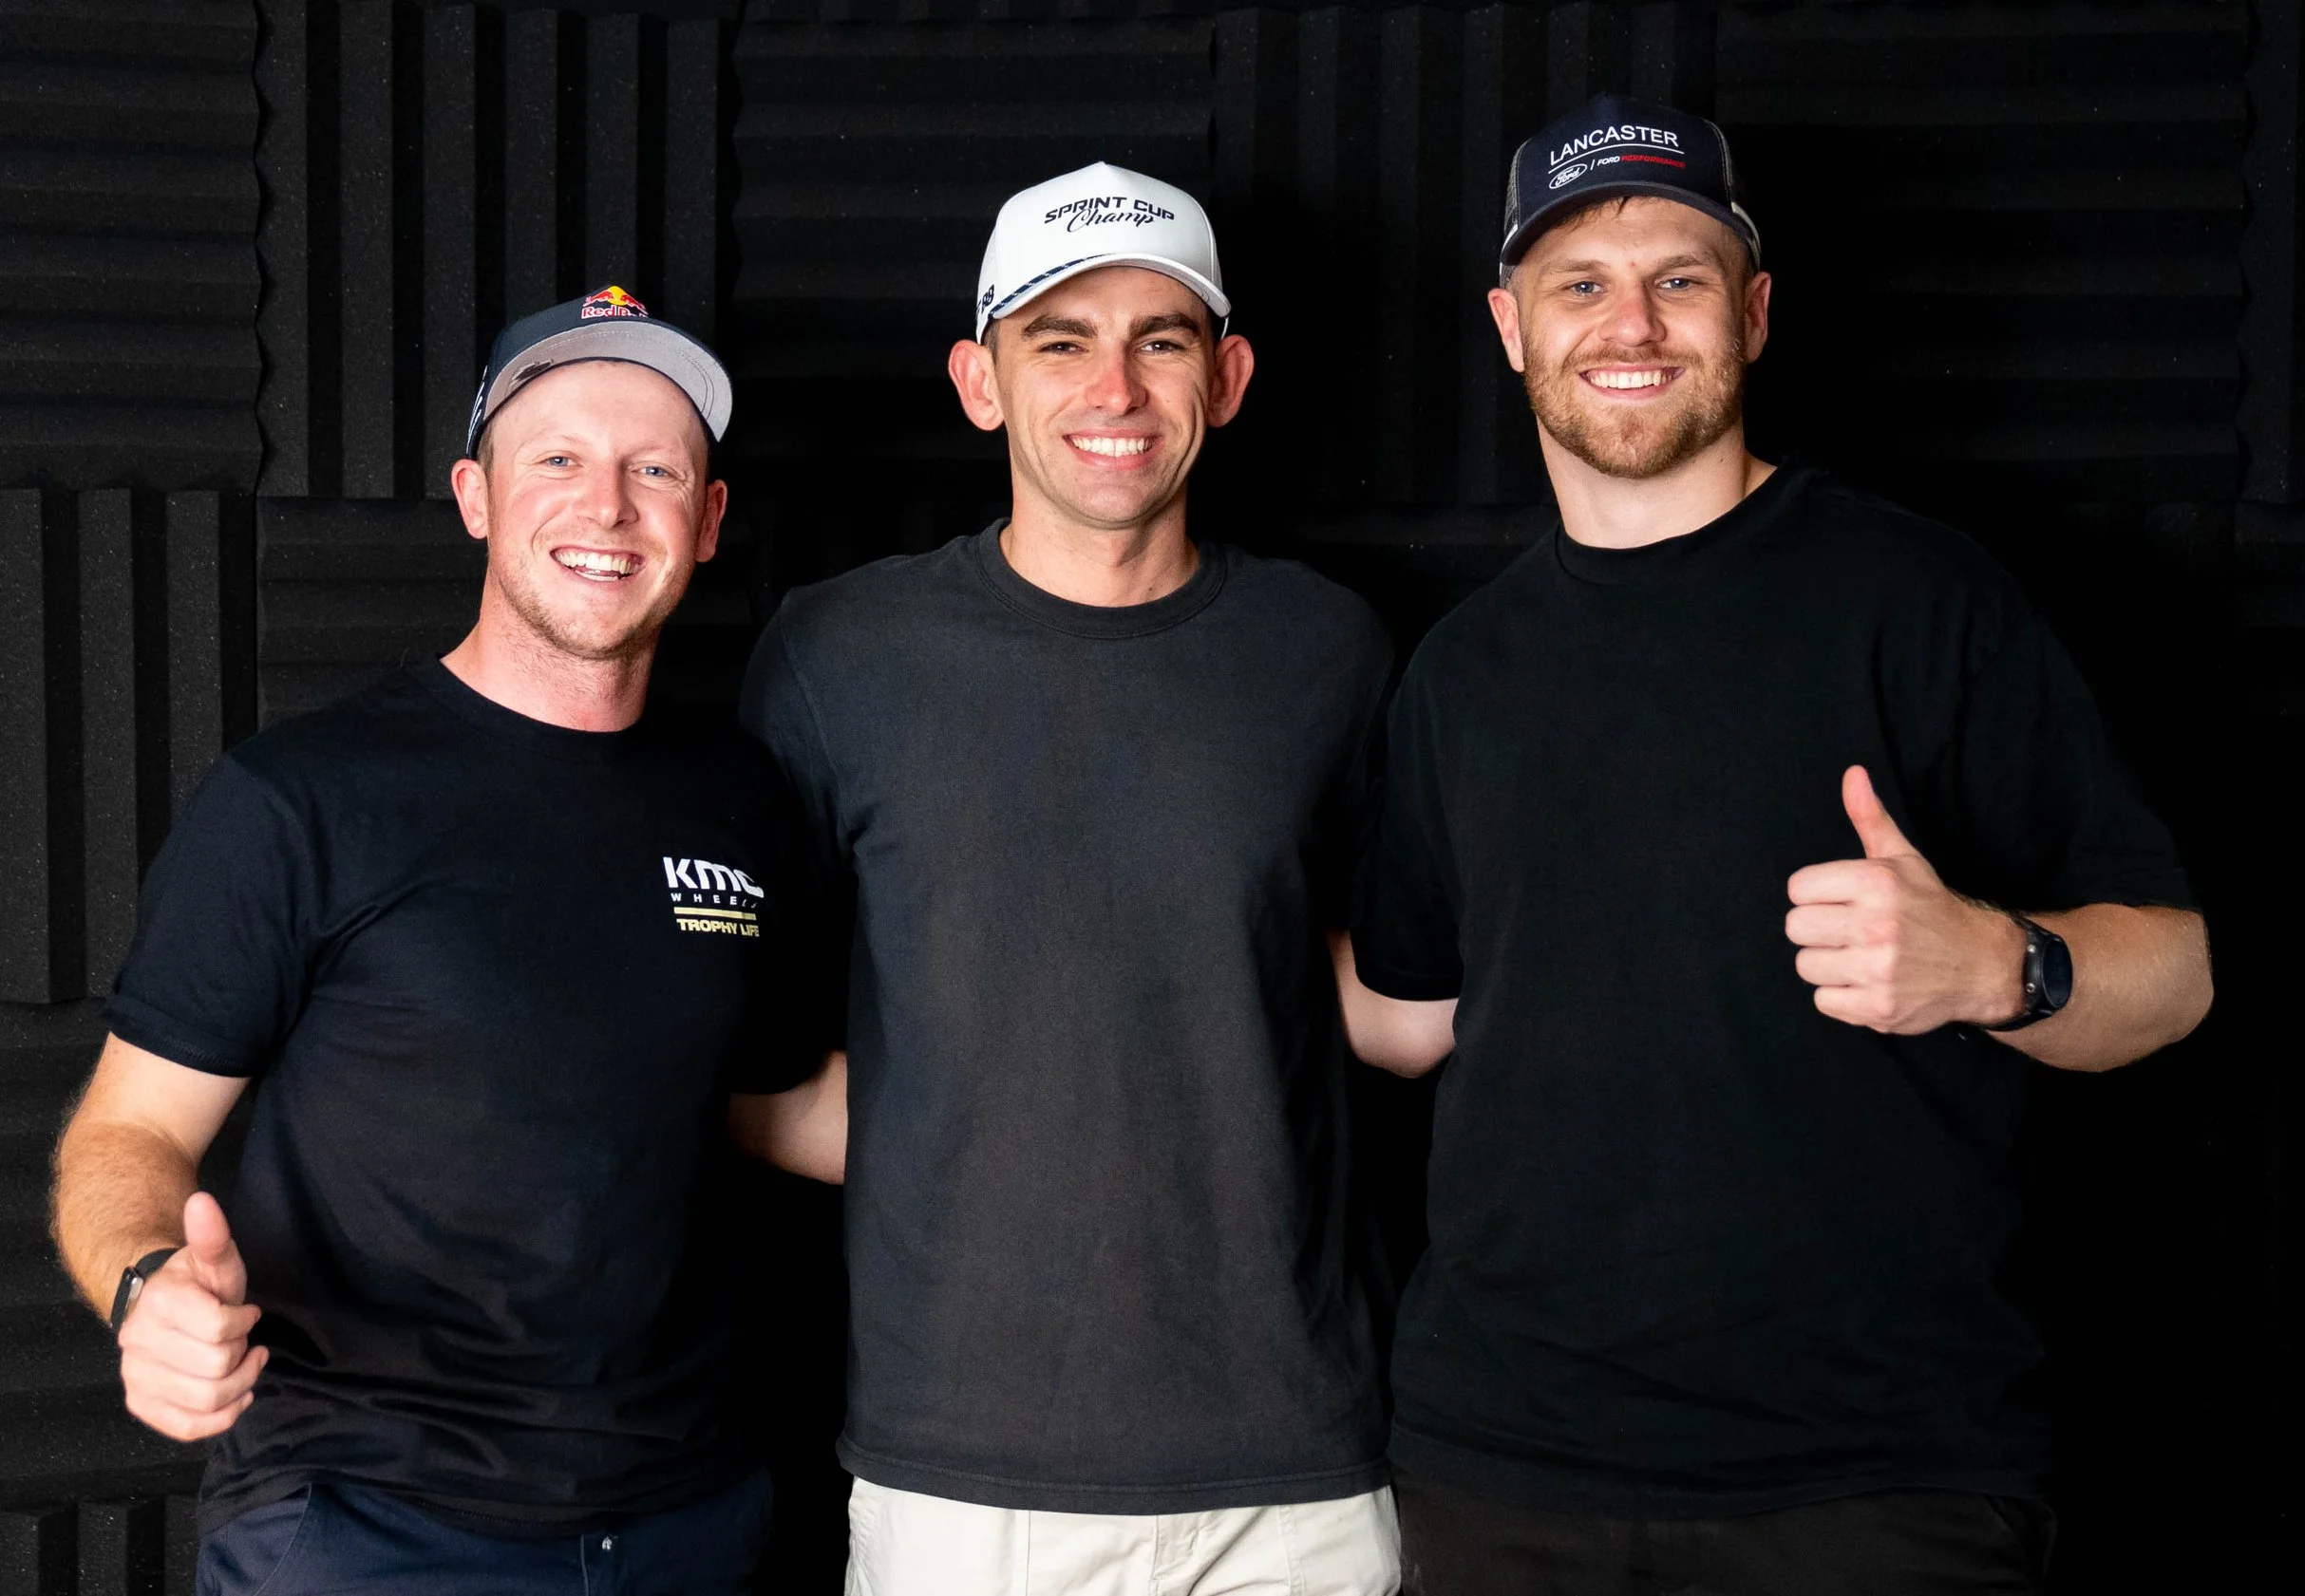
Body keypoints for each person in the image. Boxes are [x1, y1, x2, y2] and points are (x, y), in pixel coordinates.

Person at [1335, 96, 2215, 1596]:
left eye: (1680, 278)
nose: (1633, 324)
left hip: (1876, 1484)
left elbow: (2179, 976)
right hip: (1507, 1474)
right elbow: (1408, 1018)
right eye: (1581, 285)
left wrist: (2001, 964)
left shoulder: (1921, 601)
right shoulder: (1462, 673)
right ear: (1508, 328)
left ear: (1751, 310)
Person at [51, 288, 843, 1594]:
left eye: (656, 469)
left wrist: (1090, 1128)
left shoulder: (741, 800)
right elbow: (127, 1134)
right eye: (560, 461)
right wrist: (146, 1291)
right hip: (372, 1523)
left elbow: (761, 1099)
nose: (608, 507)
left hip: (689, 1520)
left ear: (704, 524)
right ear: (476, 496)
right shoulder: (303, 799)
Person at [740, 163, 1400, 1595]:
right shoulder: (834, 659)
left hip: (1294, 1485)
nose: (1116, 387)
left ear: (1225, 378)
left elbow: (1366, 992)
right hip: (961, 1485)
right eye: (1060, 341)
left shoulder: (1330, 653)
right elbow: (740, 1047)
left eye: (1160, 340)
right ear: (980, 382)